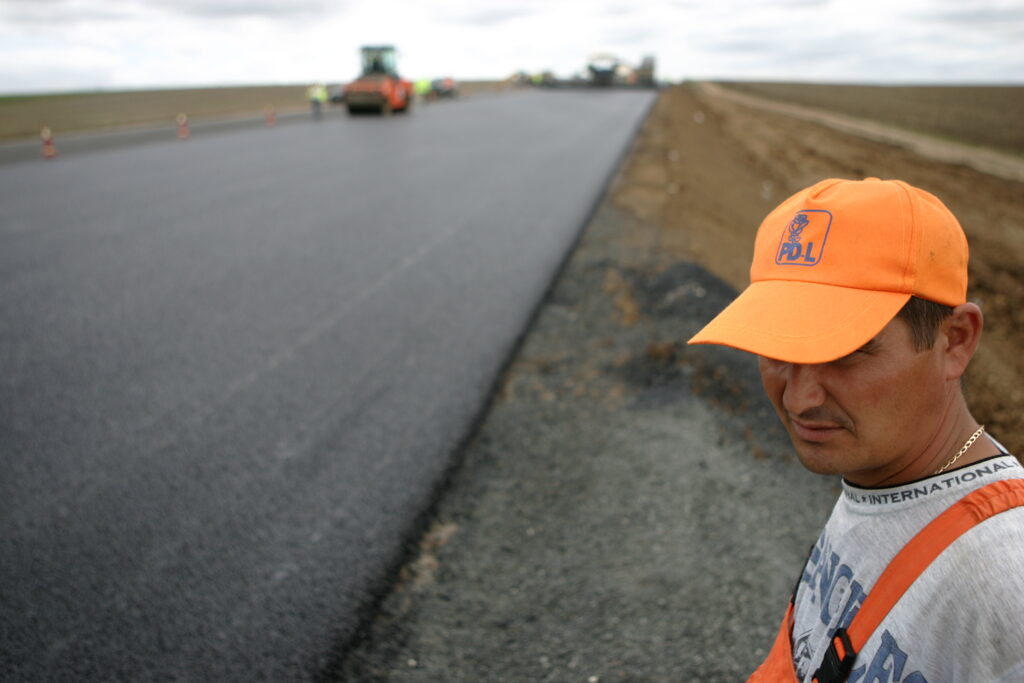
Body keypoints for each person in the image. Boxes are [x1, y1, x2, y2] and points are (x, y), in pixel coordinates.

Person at [688, 177, 1024, 682]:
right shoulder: (881, 469)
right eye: (778, 348)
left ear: (955, 340)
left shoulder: (1002, 579)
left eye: (844, 353)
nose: (799, 400)